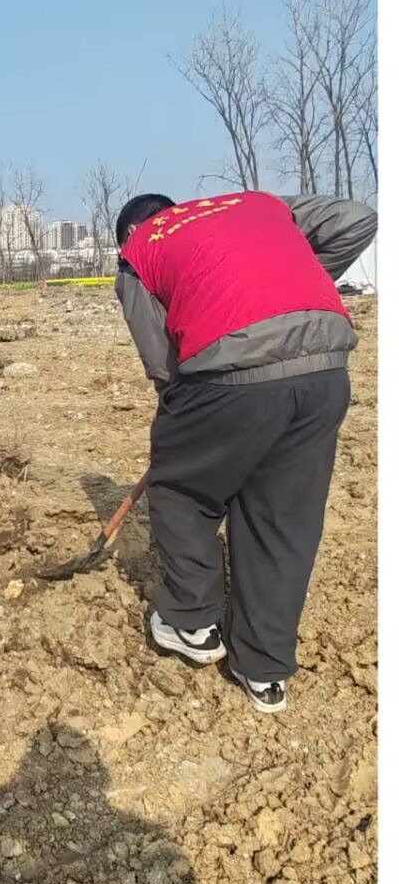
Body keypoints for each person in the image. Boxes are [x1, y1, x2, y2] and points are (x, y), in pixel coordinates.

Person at [114, 189, 373, 713]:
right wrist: (293, 285)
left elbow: (162, 363)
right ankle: (265, 670)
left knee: (180, 487)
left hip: (228, 372)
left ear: (127, 232)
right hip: (325, 370)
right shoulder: (256, 204)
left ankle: (191, 621)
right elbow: (356, 219)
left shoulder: (139, 249)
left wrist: (178, 424)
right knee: (282, 518)